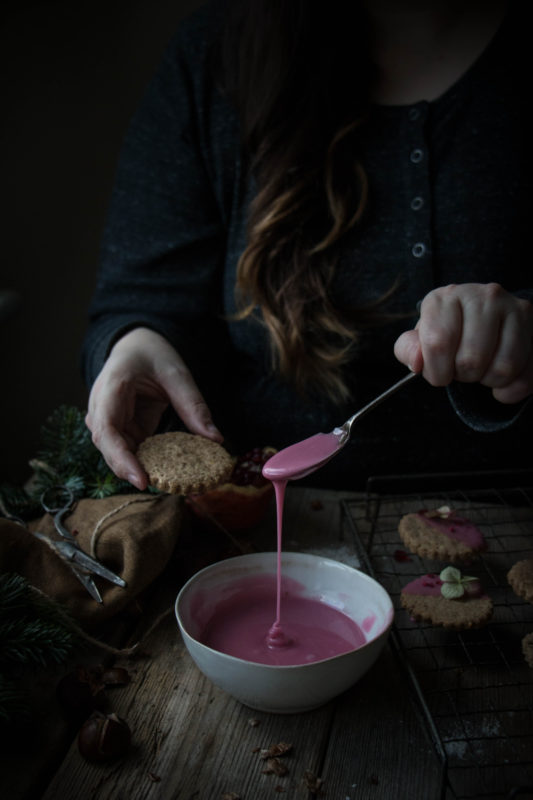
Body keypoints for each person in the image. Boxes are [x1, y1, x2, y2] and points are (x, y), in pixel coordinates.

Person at [82, 0, 532, 492]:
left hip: (504, 507)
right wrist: (139, 342)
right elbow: (142, 293)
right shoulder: (218, 55)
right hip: (248, 510)